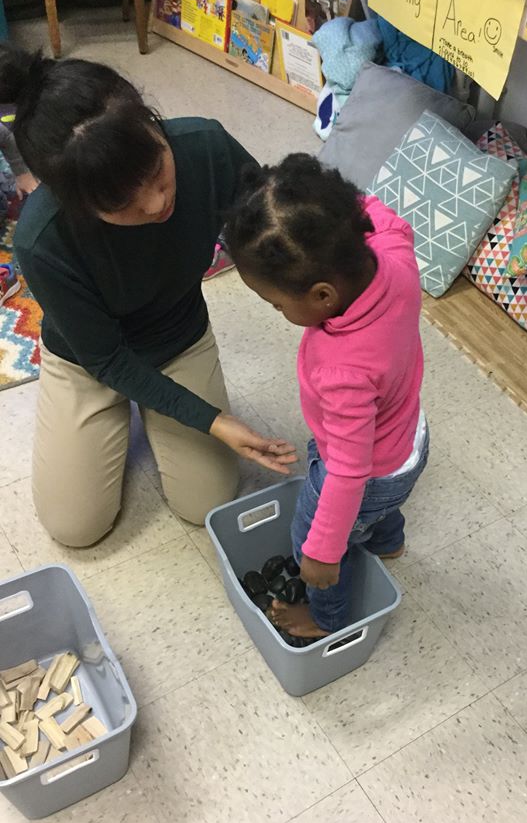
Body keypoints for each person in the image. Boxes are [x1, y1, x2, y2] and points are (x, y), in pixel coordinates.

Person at [0, 45, 296, 547]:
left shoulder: (205, 145)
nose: (158, 204)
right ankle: (123, 412)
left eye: (159, 172)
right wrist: (215, 421)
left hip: (177, 333)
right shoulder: (41, 239)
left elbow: (274, 222)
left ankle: (156, 411)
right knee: (75, 527)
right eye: (123, 205)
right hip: (90, 360)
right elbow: (107, 359)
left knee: (208, 504)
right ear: (75, 204)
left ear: (153, 122)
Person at [225, 155, 428, 640]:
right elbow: (383, 216)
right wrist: (324, 206)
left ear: (321, 296)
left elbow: (348, 470)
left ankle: (326, 620)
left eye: (276, 303)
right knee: (380, 511)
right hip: (409, 437)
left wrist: (321, 549)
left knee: (312, 536)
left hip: (370, 469)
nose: (277, 311)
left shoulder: (343, 372)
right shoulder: (393, 258)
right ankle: (388, 542)